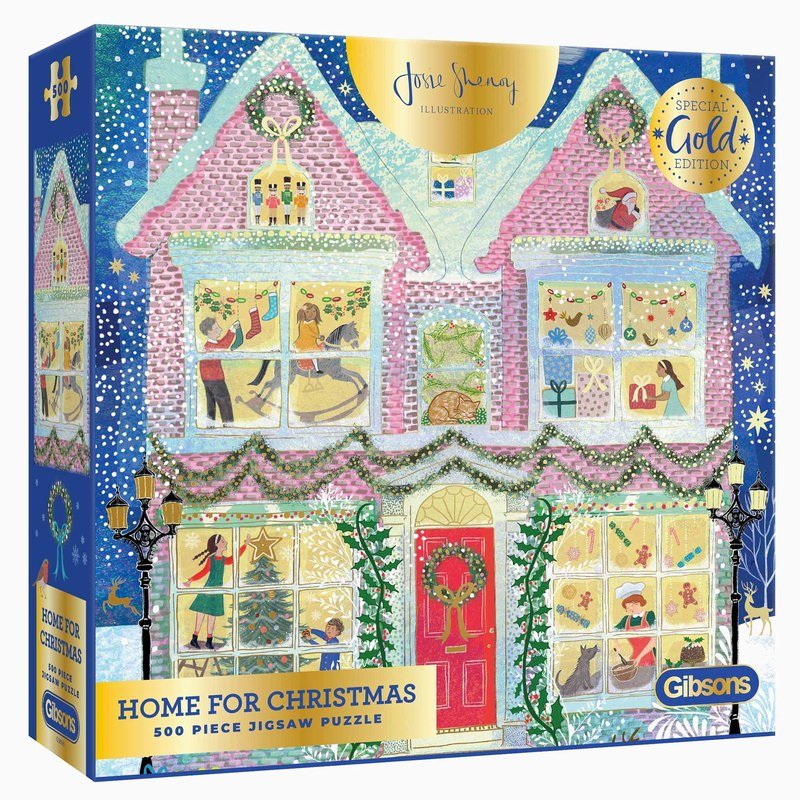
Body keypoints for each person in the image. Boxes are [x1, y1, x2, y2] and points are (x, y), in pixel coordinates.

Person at [183, 533, 250, 650]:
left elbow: (234, 558)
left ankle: (209, 641)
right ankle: (194, 638)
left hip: (218, 591)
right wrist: (191, 580)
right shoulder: (211, 559)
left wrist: (245, 545)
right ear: (217, 545)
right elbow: (203, 572)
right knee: (201, 613)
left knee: (212, 616)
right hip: (208, 589)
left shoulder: (224, 560)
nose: (226, 543)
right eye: (223, 541)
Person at [198, 317, 243, 426]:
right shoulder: (211, 347)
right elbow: (223, 345)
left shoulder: (209, 345)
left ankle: (210, 426)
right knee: (224, 402)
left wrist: (232, 328)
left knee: (211, 403)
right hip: (215, 379)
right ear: (210, 331)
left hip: (207, 379)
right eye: (217, 328)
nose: (220, 329)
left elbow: (221, 343)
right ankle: (228, 426)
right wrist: (232, 330)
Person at [613, 582, 656, 667]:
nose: (630, 609)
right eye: (627, 607)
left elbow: (653, 641)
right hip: (635, 658)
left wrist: (639, 657)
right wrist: (617, 645)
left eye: (632, 605)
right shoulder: (626, 620)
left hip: (650, 657)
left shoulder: (650, 615)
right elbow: (613, 632)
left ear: (639, 602)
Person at [294, 301, 325, 374]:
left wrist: (319, 336)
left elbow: (316, 332)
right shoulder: (303, 323)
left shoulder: (313, 322)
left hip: (312, 343)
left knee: (314, 357)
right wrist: (317, 336)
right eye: (308, 312)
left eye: (314, 311)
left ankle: (317, 369)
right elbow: (308, 333)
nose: (311, 314)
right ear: (303, 313)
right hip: (303, 344)